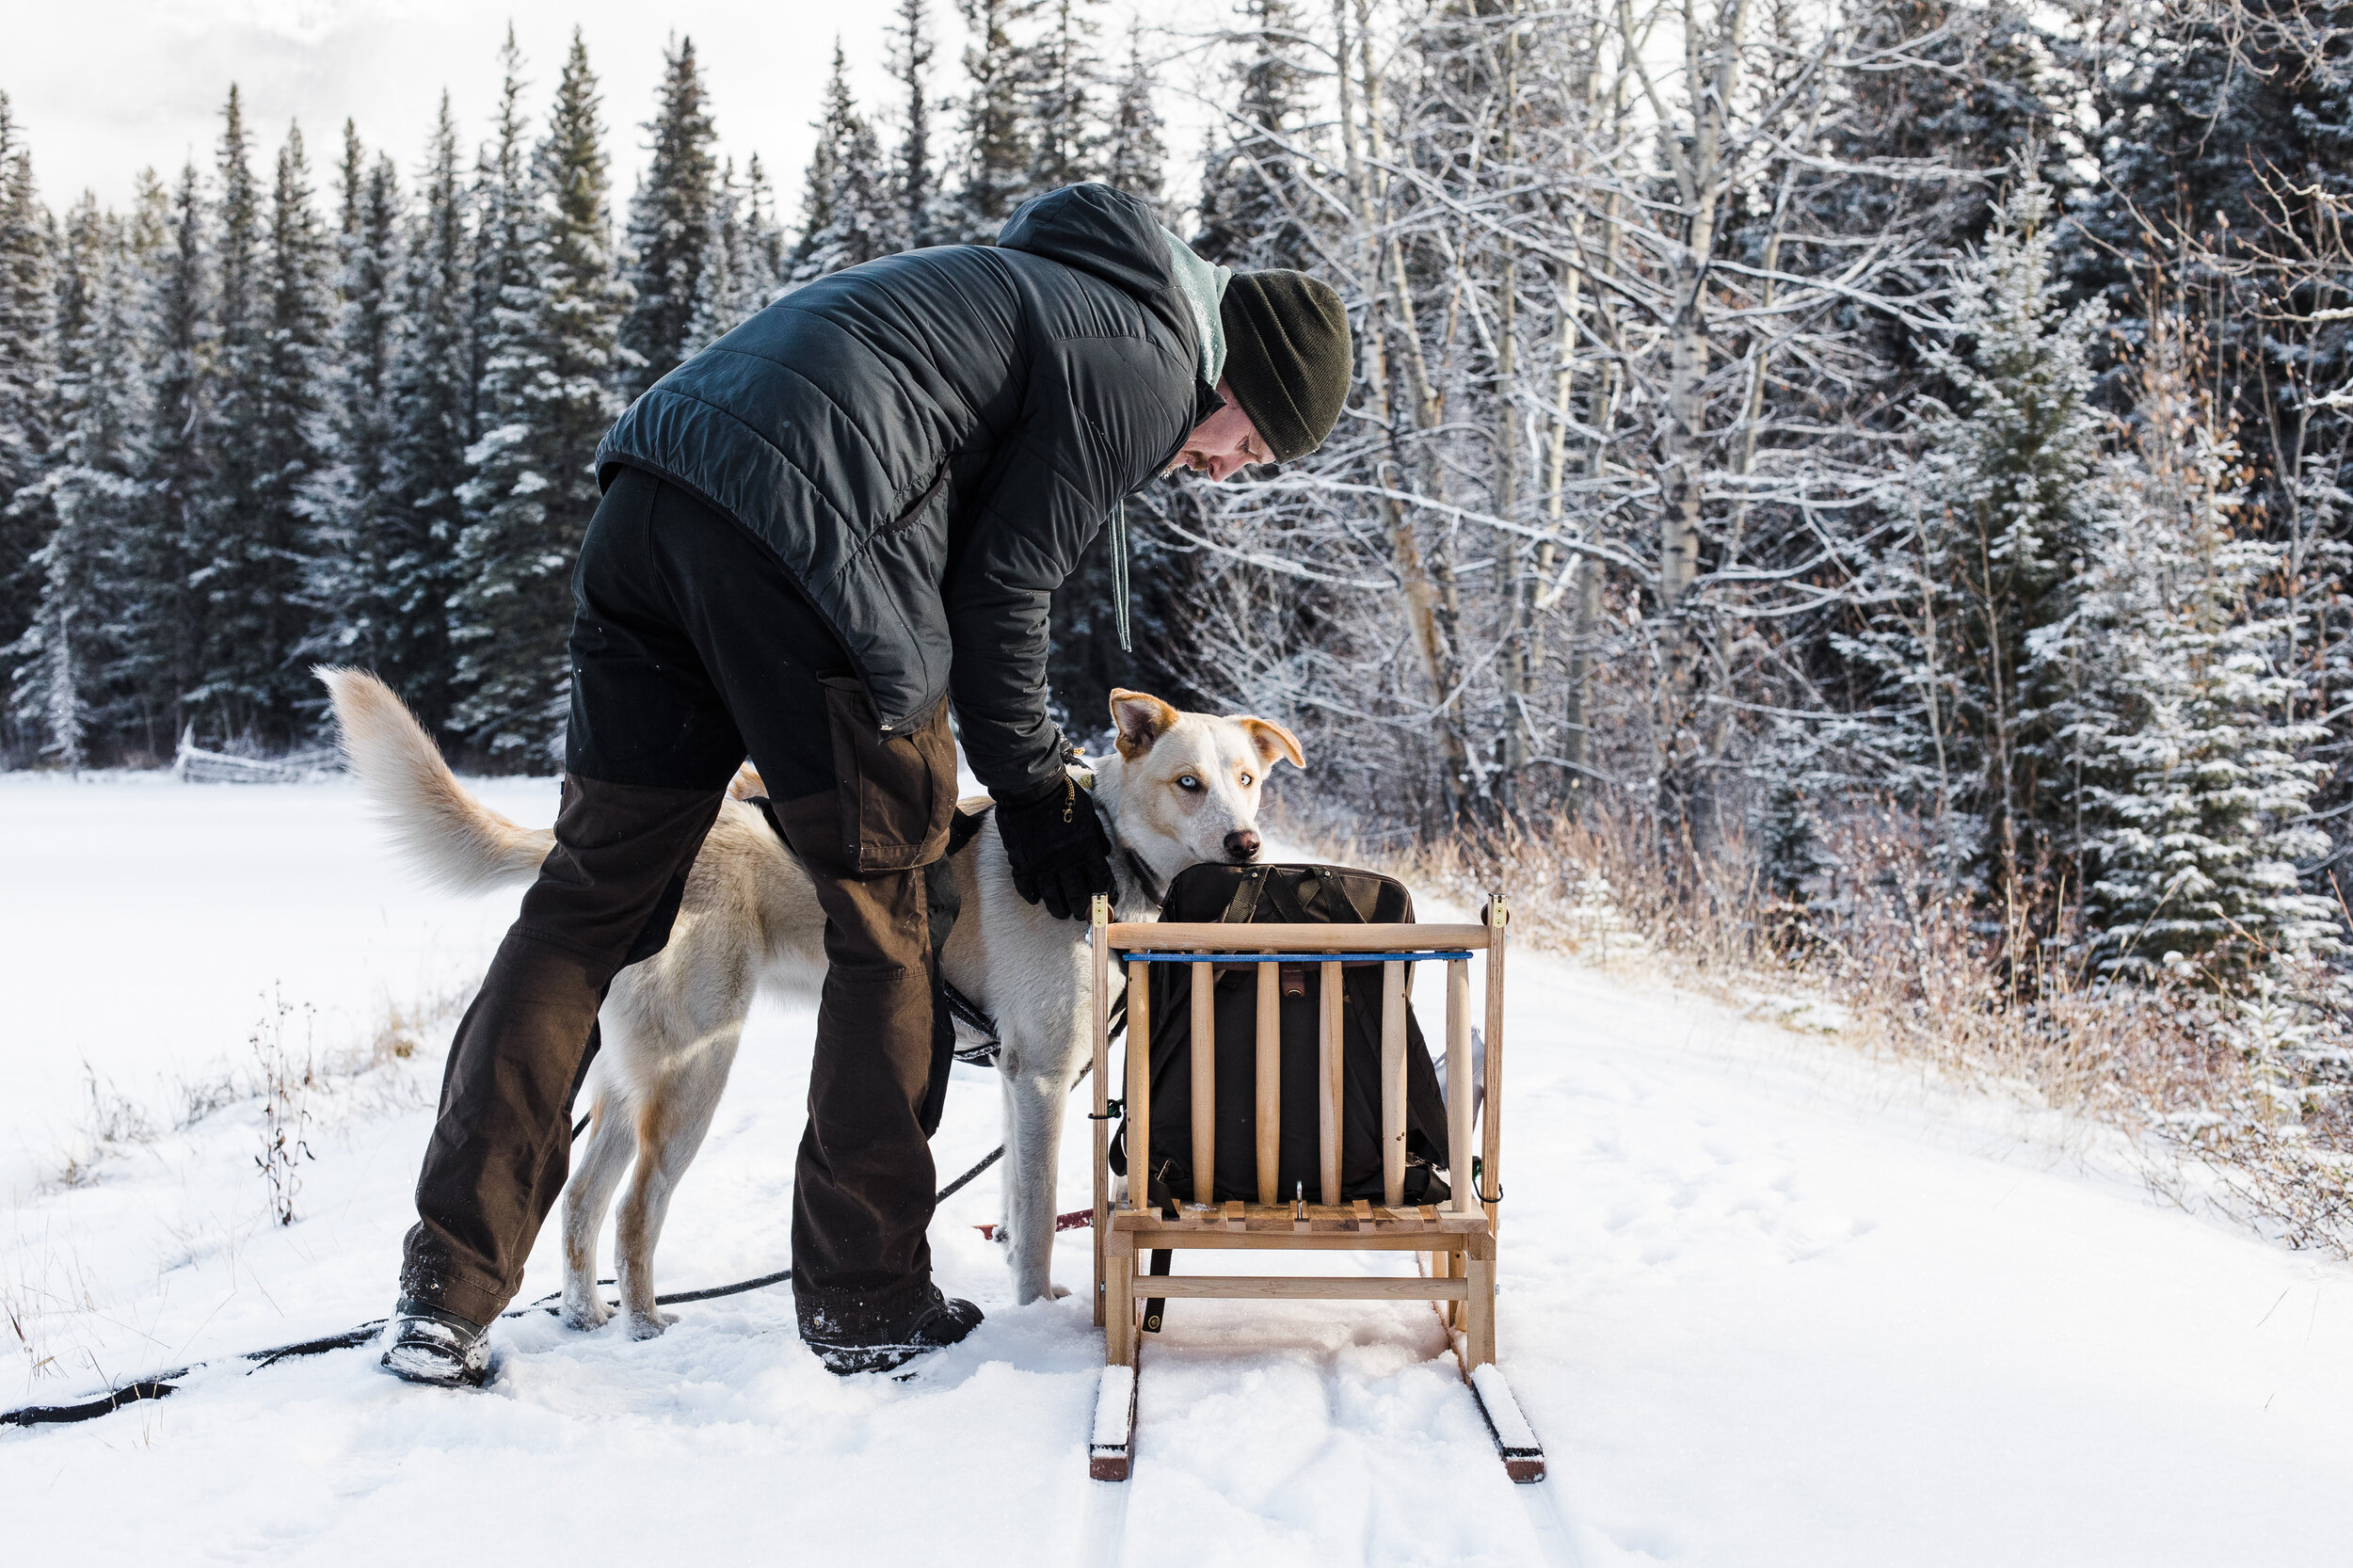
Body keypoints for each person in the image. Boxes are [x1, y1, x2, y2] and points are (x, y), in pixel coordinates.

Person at [378, 183, 1351, 1384]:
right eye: (1246, 442)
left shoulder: (1043, 294)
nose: (1224, 468)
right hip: (803, 547)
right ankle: (865, 1299)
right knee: (891, 919)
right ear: (1234, 376)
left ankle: (448, 1291)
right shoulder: (1145, 357)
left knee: (587, 906)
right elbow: (1003, 595)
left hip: (649, 494)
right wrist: (1040, 792)